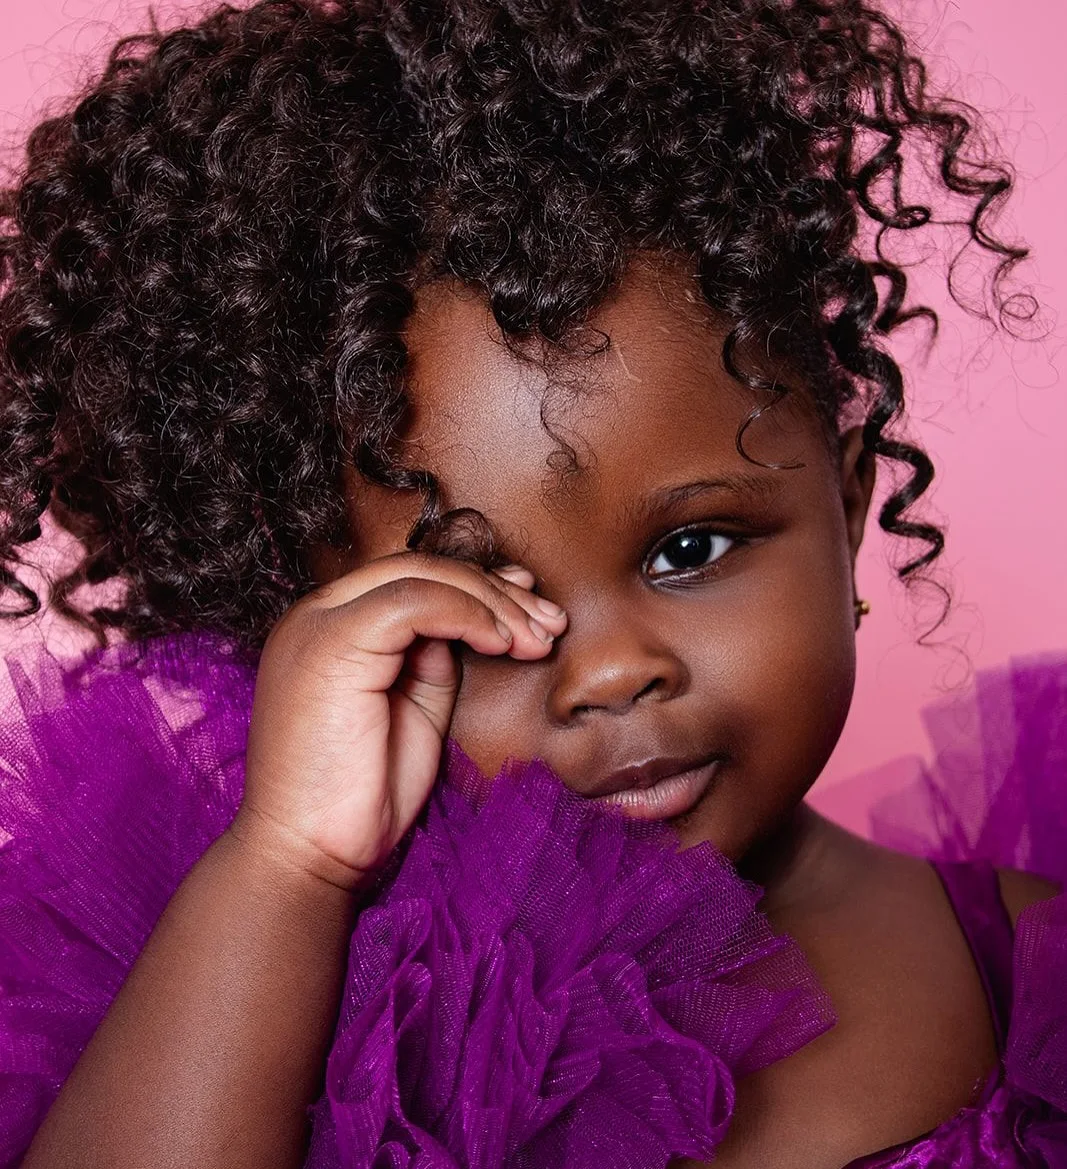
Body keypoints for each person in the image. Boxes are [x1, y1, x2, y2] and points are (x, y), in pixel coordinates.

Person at [0, 1, 1062, 1166]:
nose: (610, 669)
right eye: (474, 602)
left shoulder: (1016, 965)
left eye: (691, 549)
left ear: (847, 511)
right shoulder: (306, 1015)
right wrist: (287, 867)